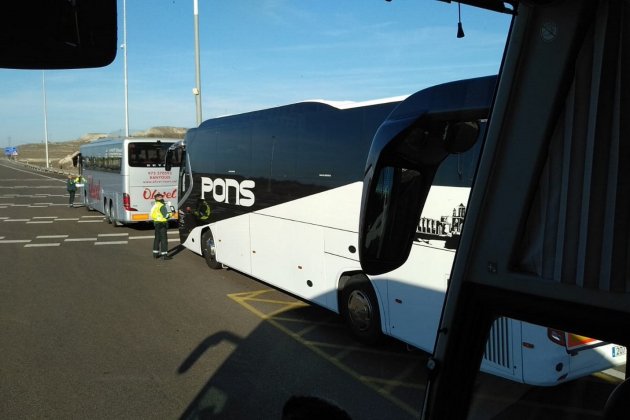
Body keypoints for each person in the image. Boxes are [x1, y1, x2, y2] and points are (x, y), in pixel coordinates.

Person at [150, 192, 173, 260]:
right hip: (162, 224)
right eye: (161, 197)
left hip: (156, 223)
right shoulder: (162, 206)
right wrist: (172, 214)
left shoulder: (155, 205)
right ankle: (164, 255)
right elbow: (166, 216)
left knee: (157, 239)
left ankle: (155, 254)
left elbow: (152, 214)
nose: (162, 198)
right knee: (164, 240)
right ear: (157, 198)